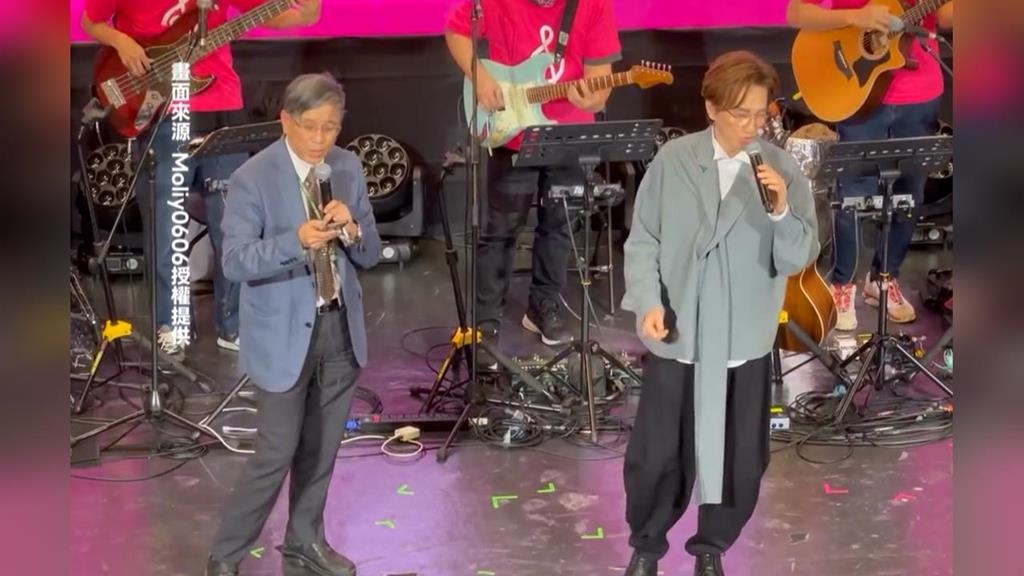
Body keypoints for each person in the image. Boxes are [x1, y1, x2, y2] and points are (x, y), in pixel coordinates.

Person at [620, 51, 819, 576]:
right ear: (711, 107)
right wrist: (649, 300)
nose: (752, 126)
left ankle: (711, 548)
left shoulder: (780, 169)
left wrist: (781, 210)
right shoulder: (674, 161)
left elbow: (799, 256)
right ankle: (646, 547)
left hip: (741, 335)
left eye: (761, 115)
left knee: (739, 457)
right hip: (681, 329)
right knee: (658, 453)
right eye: (740, 114)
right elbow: (644, 239)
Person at [205, 73, 381, 576]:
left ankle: (305, 541)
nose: (320, 139)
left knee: (321, 449)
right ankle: (225, 557)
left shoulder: (346, 166)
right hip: (281, 337)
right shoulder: (253, 177)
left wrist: (352, 229)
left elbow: (370, 253)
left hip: (338, 327)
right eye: (310, 127)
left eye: (331, 127)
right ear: (286, 121)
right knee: (276, 452)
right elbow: (235, 262)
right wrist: (295, 242)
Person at [80, 0, 322, 357]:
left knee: (235, 228)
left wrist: (311, 10)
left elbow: (286, 15)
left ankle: (233, 324)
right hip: (161, 110)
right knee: (167, 231)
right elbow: (90, 22)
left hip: (222, 106)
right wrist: (122, 42)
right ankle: (172, 326)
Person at [444, 0, 622, 356]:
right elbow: (456, 30)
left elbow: (599, 85)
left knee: (560, 227)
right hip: (511, 129)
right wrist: (480, 76)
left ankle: (543, 307)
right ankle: (485, 320)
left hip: (568, 132)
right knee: (500, 229)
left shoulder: (594, 5)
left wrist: (590, 101)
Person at [786, 0, 954, 330]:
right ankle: (843, 284)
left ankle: (883, 279)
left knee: (910, 195)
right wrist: (856, 16)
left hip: (920, 93)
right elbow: (797, 13)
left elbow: (946, 17)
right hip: (857, 89)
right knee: (851, 193)